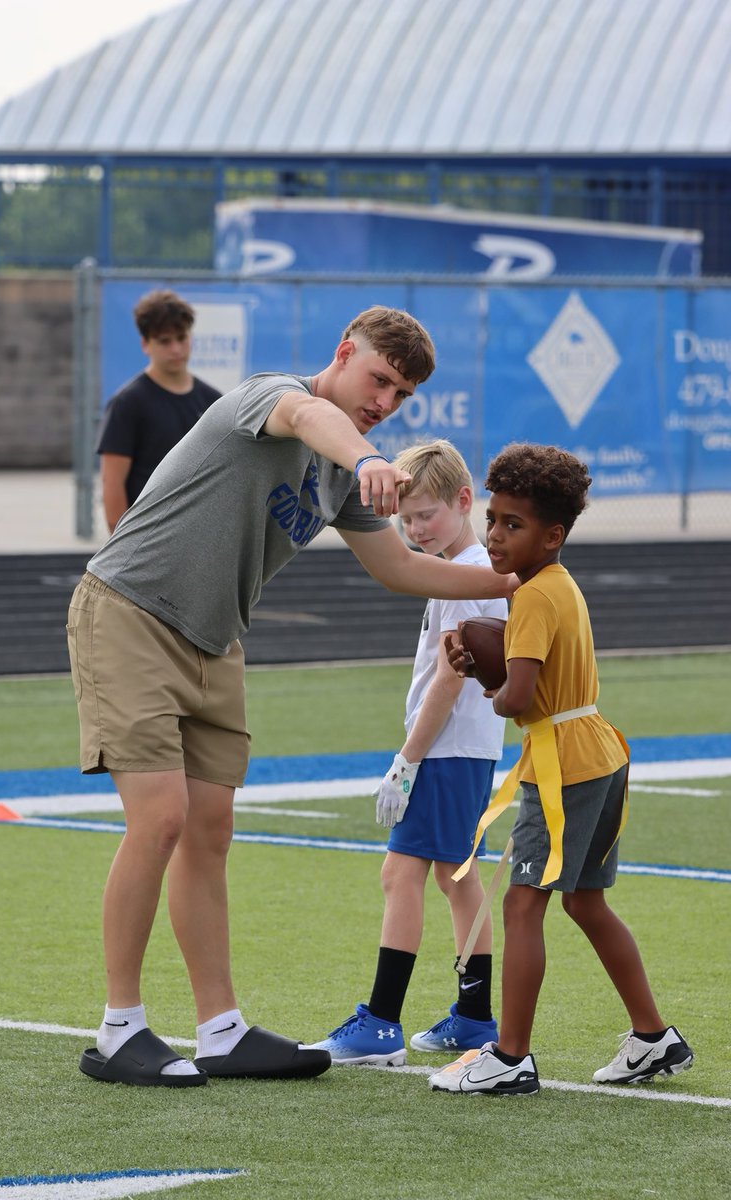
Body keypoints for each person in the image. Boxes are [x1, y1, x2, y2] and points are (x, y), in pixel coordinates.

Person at [66, 305, 518, 1088]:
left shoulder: (341, 475)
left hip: (215, 640)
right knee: (162, 819)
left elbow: (403, 571)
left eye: (402, 395)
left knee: (210, 831)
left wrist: (519, 582)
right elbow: (310, 414)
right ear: (345, 353)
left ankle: (221, 1031)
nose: (385, 400)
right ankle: (117, 1031)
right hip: (130, 612)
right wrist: (369, 453)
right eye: (379, 378)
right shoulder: (271, 395)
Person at [430, 443, 694, 1095]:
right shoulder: (553, 584)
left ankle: (510, 1054)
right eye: (492, 519)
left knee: (522, 907)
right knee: (585, 902)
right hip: (598, 750)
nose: (494, 535)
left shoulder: (535, 598)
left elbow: (518, 700)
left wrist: (481, 678)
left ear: (553, 533)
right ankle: (653, 1037)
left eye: (512, 525)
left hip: (561, 767)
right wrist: (492, 656)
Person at [310, 440, 506, 1065]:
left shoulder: (466, 572)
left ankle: (382, 1022)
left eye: (426, 514)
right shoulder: (461, 567)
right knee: (458, 879)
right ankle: (475, 1015)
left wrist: (408, 759)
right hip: (463, 750)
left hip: (448, 751)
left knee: (402, 874)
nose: (415, 530)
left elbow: (451, 676)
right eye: (405, 520)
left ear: (464, 501)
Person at [96, 289, 221, 533]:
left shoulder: (214, 402)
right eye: (164, 341)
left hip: (199, 535)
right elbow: (112, 483)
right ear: (145, 344)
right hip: (148, 538)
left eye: (181, 338)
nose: (176, 349)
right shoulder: (127, 403)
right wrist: (121, 547)